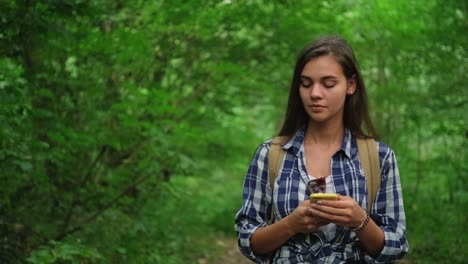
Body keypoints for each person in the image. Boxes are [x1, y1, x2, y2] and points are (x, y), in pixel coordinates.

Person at [234, 35, 409, 263]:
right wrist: (290, 224)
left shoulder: (379, 157)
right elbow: (248, 240)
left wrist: (360, 221)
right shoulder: (271, 154)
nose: (315, 93)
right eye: (306, 84)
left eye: (328, 84)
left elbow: (396, 245)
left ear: (351, 85)